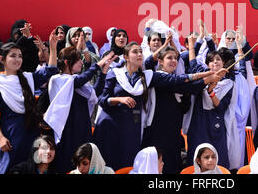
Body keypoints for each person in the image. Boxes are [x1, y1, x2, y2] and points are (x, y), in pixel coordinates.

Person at [92, 42, 223, 171]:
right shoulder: (115, 73)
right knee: (110, 162)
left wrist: (209, 77)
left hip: (132, 127)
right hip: (112, 125)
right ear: (125, 57)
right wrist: (118, 99)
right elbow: (102, 99)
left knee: (129, 163)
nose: (139, 54)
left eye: (140, 51)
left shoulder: (146, 77)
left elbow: (181, 84)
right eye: (135, 52)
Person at [0, 31, 58, 174]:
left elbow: (50, 71)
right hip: (10, 137)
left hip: (31, 134)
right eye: (13, 56)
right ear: (2, 59)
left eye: (20, 56)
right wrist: (1, 138)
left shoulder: (28, 78)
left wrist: (52, 48)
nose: (17, 59)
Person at [141, 44, 223, 174]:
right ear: (160, 61)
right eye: (169, 58)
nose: (173, 61)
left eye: (175, 58)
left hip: (173, 131)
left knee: (172, 165)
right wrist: (207, 78)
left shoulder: (177, 80)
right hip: (158, 130)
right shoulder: (157, 77)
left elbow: (184, 96)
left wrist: (208, 81)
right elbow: (182, 86)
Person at [43, 46, 116, 174]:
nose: (82, 63)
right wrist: (98, 64)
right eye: (78, 60)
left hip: (83, 130)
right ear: (67, 62)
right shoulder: (58, 79)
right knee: (67, 165)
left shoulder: (76, 81)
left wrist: (104, 72)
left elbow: (96, 91)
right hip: (67, 132)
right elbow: (79, 80)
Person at [183, 33, 246, 171]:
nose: (215, 62)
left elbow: (221, 107)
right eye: (212, 60)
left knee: (217, 160)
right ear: (207, 64)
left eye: (218, 59)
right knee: (196, 157)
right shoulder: (202, 76)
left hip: (215, 124)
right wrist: (192, 44)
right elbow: (193, 63)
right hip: (198, 122)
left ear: (223, 63)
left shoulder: (228, 83)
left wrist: (211, 92)